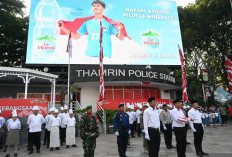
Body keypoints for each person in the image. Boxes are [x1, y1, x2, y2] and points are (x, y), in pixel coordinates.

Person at [59, 0, 126, 58]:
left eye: (98, 6)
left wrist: (120, 30)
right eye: (94, 6)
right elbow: (76, 36)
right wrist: (62, 28)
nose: (95, 7)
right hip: (89, 57)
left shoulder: (109, 23)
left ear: (103, 9)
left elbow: (121, 38)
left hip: (105, 57)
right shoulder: (87, 23)